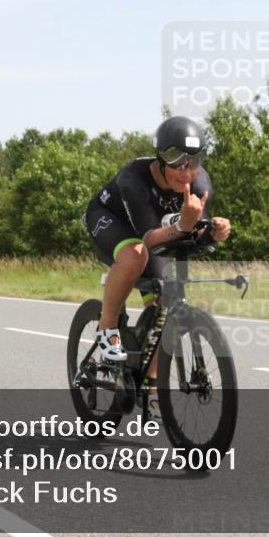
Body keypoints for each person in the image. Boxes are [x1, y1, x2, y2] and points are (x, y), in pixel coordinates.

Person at [82, 116, 232, 415]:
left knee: (168, 301)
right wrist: (186, 224)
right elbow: (149, 238)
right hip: (112, 220)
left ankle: (151, 382)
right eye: (176, 161)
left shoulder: (200, 183)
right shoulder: (134, 177)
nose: (186, 171)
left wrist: (214, 232)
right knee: (135, 255)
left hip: (156, 232)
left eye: (194, 160)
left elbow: (192, 236)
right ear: (160, 157)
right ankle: (106, 325)